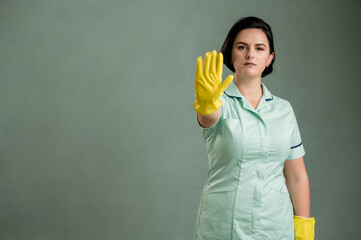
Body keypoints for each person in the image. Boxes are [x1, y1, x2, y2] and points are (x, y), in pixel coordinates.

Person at [193, 16, 316, 240]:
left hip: (276, 227)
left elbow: (296, 175)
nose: (250, 54)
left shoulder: (283, 110)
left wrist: (304, 231)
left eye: (259, 48)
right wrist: (206, 104)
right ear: (230, 54)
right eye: (242, 47)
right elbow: (208, 117)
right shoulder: (218, 101)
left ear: (269, 58)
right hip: (223, 226)